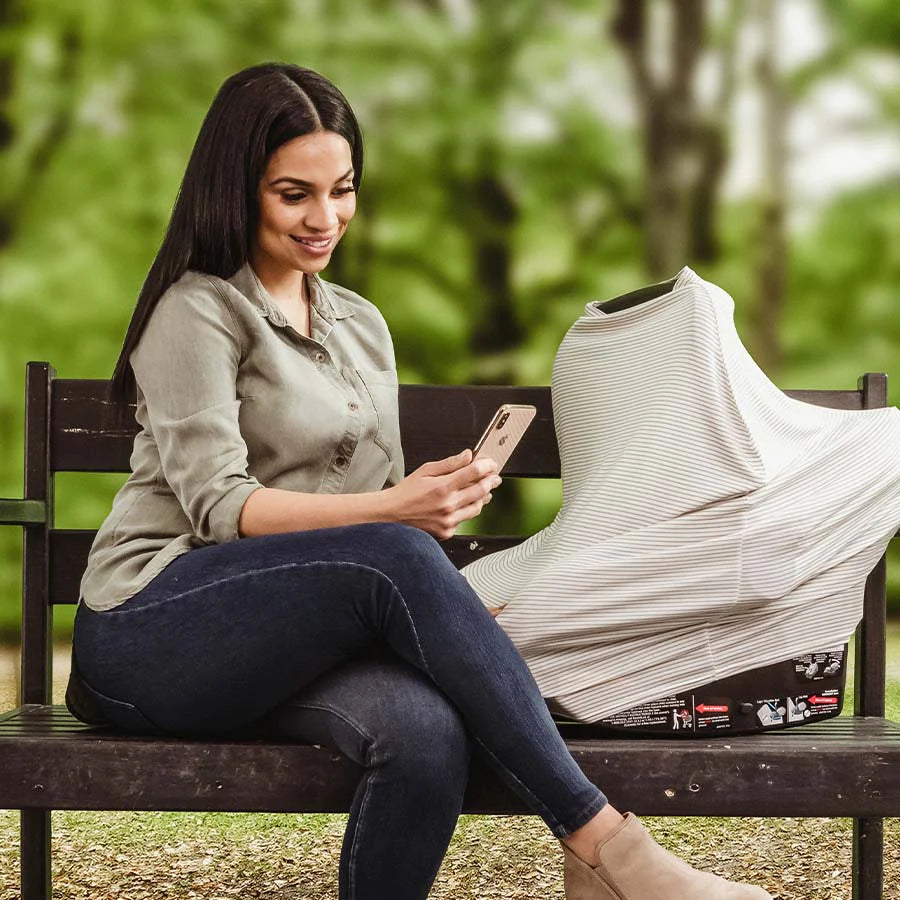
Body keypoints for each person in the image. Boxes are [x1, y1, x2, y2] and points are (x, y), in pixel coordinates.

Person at [65, 62, 772, 900]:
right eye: (294, 194)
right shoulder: (197, 309)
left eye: (343, 190)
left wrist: (449, 604)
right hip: (150, 633)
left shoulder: (361, 324)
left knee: (427, 733)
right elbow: (224, 509)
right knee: (394, 553)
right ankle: (609, 851)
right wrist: (403, 524)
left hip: (293, 640)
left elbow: (379, 525)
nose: (325, 218)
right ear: (236, 188)